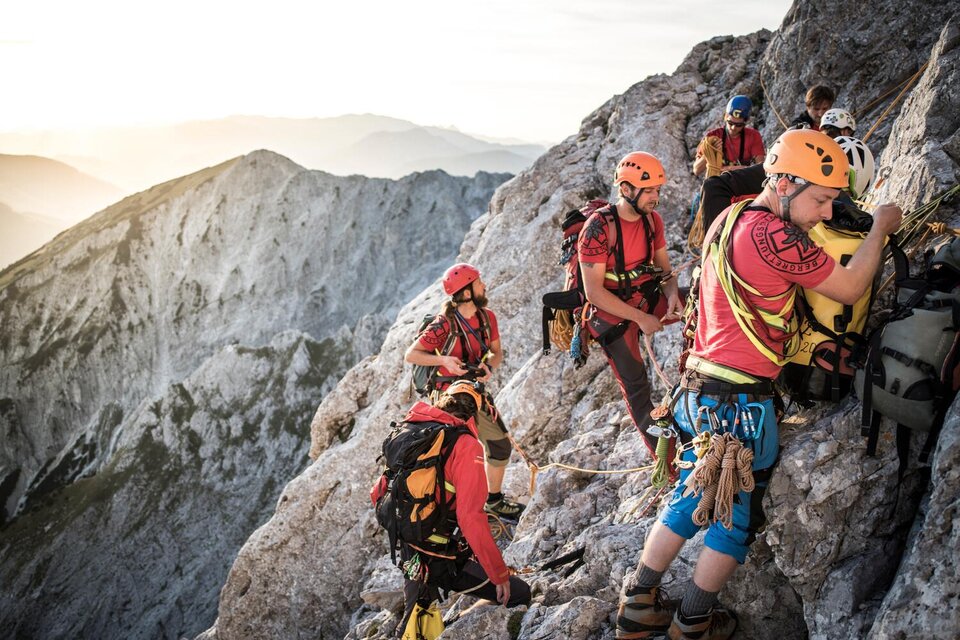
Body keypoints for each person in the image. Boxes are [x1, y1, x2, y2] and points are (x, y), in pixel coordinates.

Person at [615, 129, 902, 640]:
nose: (826, 213)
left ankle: (638, 603)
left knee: (688, 493)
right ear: (786, 183)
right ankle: (694, 622)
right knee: (734, 515)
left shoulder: (731, 217)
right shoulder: (776, 237)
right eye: (820, 199)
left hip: (700, 388)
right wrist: (880, 226)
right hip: (741, 401)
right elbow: (852, 285)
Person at [397, 381, 531, 635]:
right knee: (518, 593)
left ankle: (433, 626)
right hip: (438, 554)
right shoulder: (466, 445)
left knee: (415, 613)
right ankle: (456, 625)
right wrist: (499, 573)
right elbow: (470, 518)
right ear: (475, 414)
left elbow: (380, 490)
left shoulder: (413, 428)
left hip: (408, 538)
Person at [578, 152, 684, 460]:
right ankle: (666, 460)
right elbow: (595, 293)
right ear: (626, 189)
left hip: (645, 296)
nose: (656, 198)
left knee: (701, 301)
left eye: (657, 191)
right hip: (610, 314)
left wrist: (673, 294)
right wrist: (642, 319)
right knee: (637, 387)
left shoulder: (653, 220)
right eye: (649, 191)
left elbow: (664, 270)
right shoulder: (598, 228)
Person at [405, 263, 525, 520]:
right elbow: (411, 354)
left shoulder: (487, 318)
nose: (484, 285)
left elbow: (496, 352)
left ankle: (493, 501)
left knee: (499, 445)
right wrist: (444, 361)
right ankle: (450, 511)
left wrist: (488, 365)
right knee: (458, 453)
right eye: (479, 282)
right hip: (447, 395)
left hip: (474, 389)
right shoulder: (443, 324)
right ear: (468, 292)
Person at [692, 95, 766, 177]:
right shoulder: (713, 136)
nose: (733, 128)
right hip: (718, 182)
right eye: (730, 123)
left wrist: (730, 168)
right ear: (725, 117)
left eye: (739, 125)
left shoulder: (753, 136)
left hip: (743, 180)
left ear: (746, 122)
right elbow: (696, 170)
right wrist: (710, 152)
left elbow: (761, 168)